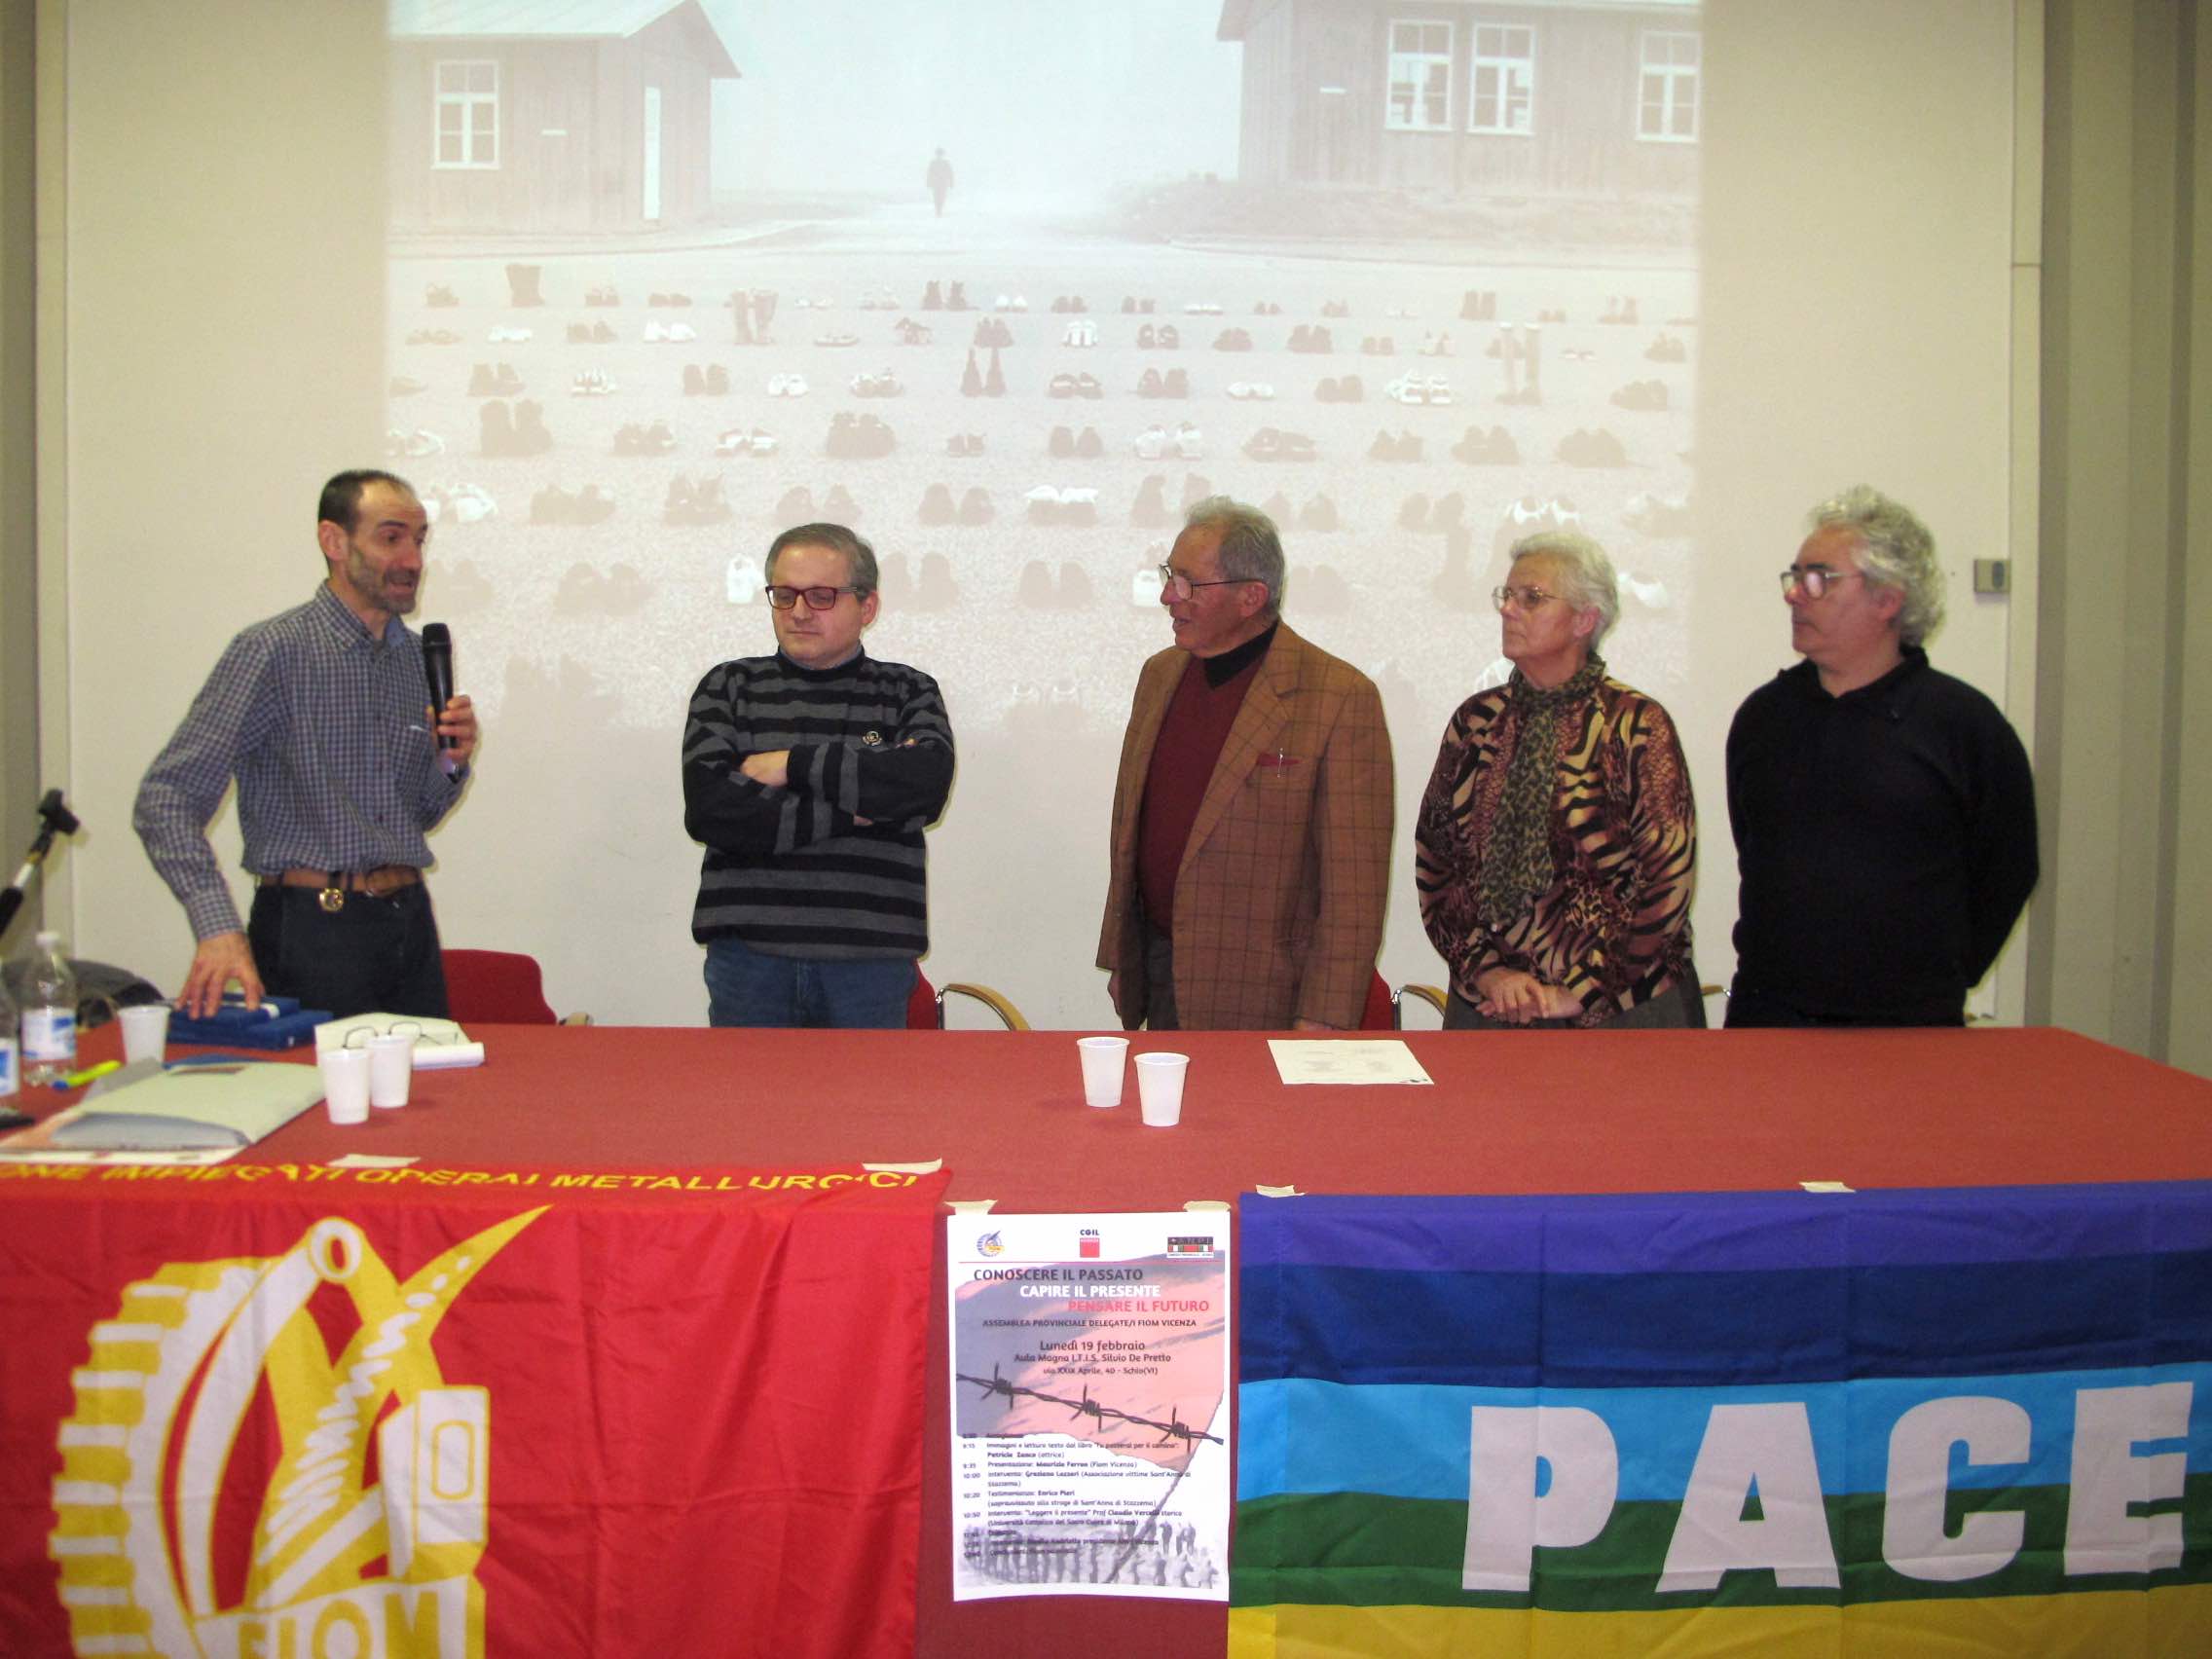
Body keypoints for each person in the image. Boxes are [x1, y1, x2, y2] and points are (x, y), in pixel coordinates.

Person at [134, 469, 477, 1019]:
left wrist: (450, 763)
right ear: (334, 541)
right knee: (317, 1079)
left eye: (419, 540)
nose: (413, 560)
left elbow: (414, 815)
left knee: (434, 1075)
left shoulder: (415, 662)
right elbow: (166, 798)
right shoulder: (273, 652)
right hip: (313, 929)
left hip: (408, 923)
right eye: (391, 538)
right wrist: (216, 925)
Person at [1726, 485, 2038, 1026]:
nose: (1794, 594)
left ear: (1887, 600)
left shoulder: (1963, 724)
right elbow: (1752, 845)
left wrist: (1940, 974)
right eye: (1794, 577)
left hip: (1908, 1026)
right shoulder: (1765, 717)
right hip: (1769, 1019)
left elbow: (2008, 868)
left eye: (1818, 578)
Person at [1097, 498, 1392, 1029]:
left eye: (1188, 583)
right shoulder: (1159, 676)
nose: (1168, 596)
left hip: (1271, 994)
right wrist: (1123, 955)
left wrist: (1325, 1016)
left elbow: (1354, 889)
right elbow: (1130, 828)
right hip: (1161, 970)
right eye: (1169, 575)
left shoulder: (1339, 697)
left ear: (1251, 597)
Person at [1416, 530, 1701, 1028]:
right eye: (1507, 595)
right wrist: (1488, 973)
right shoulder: (1476, 723)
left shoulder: (1637, 725)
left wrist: (1580, 991)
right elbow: (1437, 863)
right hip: (1493, 1006)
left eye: (1531, 598)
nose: (1508, 610)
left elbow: (1665, 880)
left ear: (1584, 620)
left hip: (1623, 1010)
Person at [684, 522, 954, 1027]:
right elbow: (714, 812)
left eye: (821, 596)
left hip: (870, 964)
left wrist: (788, 765)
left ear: (867, 607)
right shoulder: (728, 687)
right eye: (785, 595)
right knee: (748, 1086)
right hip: (748, 960)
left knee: (865, 1087)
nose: (800, 612)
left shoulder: (908, 691)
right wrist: (861, 808)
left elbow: (922, 785)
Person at [926, 148, 955, 218]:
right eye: (938, 154)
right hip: (936, 183)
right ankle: (938, 209)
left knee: (942, 196)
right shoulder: (933, 163)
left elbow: (950, 173)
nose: (939, 156)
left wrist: (951, 182)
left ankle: (939, 208)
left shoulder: (945, 163)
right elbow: (930, 173)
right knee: (936, 196)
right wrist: (928, 182)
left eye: (940, 154)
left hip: (943, 183)